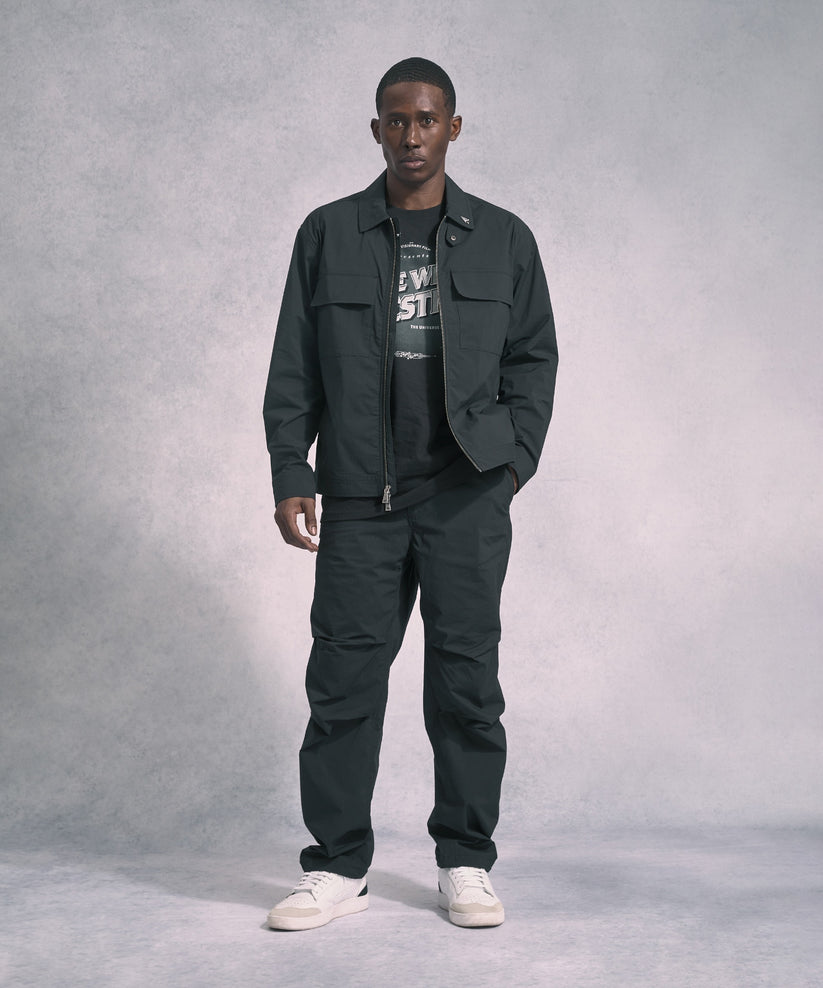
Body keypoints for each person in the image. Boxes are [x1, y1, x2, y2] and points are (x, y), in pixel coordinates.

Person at [262, 57, 558, 931]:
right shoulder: (327, 232)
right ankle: (337, 865)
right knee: (343, 683)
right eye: (395, 120)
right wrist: (291, 469)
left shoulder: (504, 238)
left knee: (465, 684)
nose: (411, 135)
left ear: (452, 128)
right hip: (360, 497)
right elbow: (293, 363)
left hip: (466, 495)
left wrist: (511, 466)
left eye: (426, 119)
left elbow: (533, 361)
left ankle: (464, 860)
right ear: (376, 130)